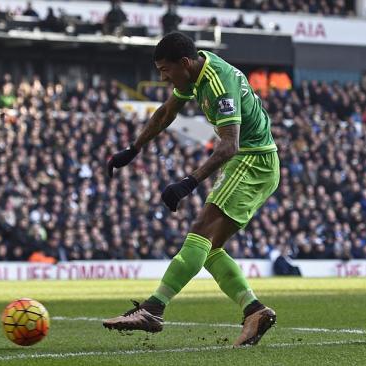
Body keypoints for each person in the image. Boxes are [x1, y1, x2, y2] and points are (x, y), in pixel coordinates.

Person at [104, 32, 279, 347]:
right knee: (209, 249)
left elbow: (229, 146)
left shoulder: (217, 84)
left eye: (165, 70)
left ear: (184, 63)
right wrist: (134, 148)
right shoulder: (194, 77)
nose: (162, 77)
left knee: (200, 231)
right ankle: (255, 311)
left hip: (252, 162)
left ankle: (153, 309)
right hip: (250, 162)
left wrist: (188, 183)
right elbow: (166, 114)